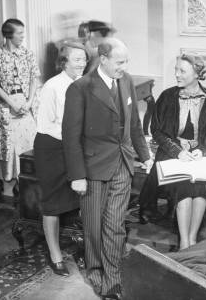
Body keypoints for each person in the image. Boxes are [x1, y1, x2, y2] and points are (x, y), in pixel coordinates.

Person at [62, 38, 153, 299]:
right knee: (92, 225)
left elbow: (134, 123)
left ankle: (111, 279)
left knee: (115, 225)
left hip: (123, 164)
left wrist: (144, 156)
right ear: (103, 59)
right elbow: (71, 136)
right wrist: (77, 175)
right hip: (92, 169)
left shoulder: (126, 81)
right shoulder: (81, 88)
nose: (124, 67)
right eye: (119, 62)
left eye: (126, 62)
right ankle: (95, 268)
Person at [143, 54, 206, 249]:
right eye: (176, 70)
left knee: (201, 186)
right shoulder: (167, 96)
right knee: (185, 186)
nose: (176, 74)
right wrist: (177, 151)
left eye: (182, 71)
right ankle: (184, 244)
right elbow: (157, 131)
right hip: (172, 154)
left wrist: (202, 151)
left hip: (198, 156)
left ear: (197, 74)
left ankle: (193, 238)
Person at [33, 41, 88, 276]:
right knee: (53, 204)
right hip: (52, 149)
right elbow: (46, 125)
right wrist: (74, 139)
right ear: (63, 62)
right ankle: (55, 254)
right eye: (77, 59)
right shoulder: (52, 87)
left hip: (75, 147)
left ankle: (85, 250)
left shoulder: (85, 84)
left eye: (84, 59)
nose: (83, 63)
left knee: (82, 200)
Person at [0, 19, 39, 197]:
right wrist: (12, 103)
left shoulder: (28, 54)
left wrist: (30, 101)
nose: (23, 37)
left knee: (29, 143)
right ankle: (8, 189)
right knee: (9, 146)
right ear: (9, 34)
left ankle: (29, 187)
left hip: (26, 104)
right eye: (20, 33)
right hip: (7, 106)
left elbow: (34, 78)